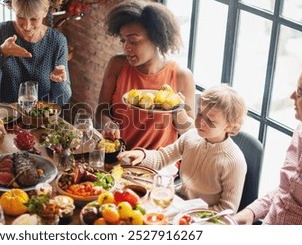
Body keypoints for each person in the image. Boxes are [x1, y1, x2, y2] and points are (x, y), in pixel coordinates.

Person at [118, 84, 248, 212]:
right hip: (177, 203)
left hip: (201, 218)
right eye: (200, 113)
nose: (200, 122)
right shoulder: (190, 137)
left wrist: (189, 215)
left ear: (229, 127)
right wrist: (143, 155)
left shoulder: (234, 161)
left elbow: (227, 210)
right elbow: (163, 157)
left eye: (211, 121)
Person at [96, 0, 196, 150]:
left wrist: (178, 110)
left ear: (156, 38)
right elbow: (101, 110)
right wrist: (107, 123)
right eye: (123, 40)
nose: (126, 47)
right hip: (118, 155)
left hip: (159, 165)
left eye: (133, 41)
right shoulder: (117, 65)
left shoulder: (181, 76)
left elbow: (190, 133)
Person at [233, 56, 302, 225]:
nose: (292, 96)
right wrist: (250, 212)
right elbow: (286, 190)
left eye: (300, 93)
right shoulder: (301, 130)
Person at [0, 0, 71, 107]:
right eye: (20, 17)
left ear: (45, 12)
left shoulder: (57, 41)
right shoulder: (1, 32)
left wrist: (59, 82)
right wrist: (2, 52)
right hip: (3, 115)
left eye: (34, 19)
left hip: (39, 119)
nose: (27, 26)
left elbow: (63, 100)